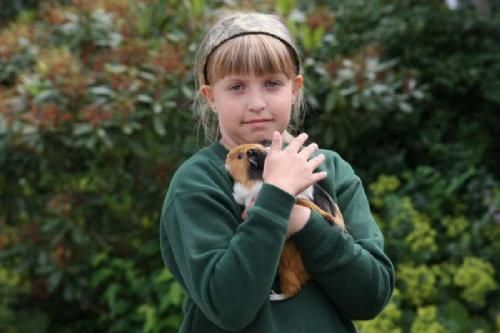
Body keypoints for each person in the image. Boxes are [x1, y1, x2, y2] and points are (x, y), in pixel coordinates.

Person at [159, 12, 394, 333]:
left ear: (295, 88)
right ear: (211, 97)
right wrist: (275, 204)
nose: (256, 102)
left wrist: (304, 223)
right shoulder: (198, 182)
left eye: (271, 83)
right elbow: (228, 308)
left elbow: (371, 297)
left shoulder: (329, 170)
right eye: (237, 86)